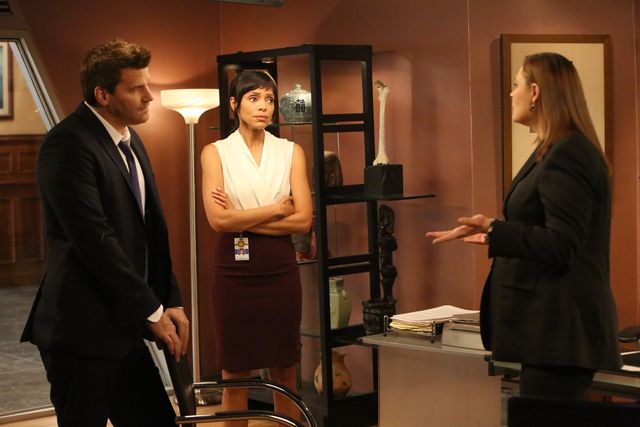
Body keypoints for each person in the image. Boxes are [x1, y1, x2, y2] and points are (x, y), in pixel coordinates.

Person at [426, 52, 621, 400]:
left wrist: (496, 229)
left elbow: (563, 244)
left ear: (535, 92)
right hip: (549, 337)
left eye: (516, 85)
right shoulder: (554, 149)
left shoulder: (567, 153)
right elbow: (546, 230)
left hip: (560, 334)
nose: (510, 93)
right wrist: (494, 230)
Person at [20, 39, 189, 426]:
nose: (149, 96)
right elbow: (96, 241)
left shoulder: (130, 138)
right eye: (136, 88)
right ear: (103, 94)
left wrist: (170, 298)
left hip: (124, 323)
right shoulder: (67, 144)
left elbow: (149, 233)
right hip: (80, 330)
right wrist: (151, 310)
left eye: (147, 84)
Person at [201, 70, 312, 425]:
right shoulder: (215, 153)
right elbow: (218, 221)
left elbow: (303, 221)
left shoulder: (290, 151)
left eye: (269, 99)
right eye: (254, 98)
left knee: (285, 371)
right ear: (234, 104)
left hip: (280, 269)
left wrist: (240, 217)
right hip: (233, 272)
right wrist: (277, 209)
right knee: (235, 375)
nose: (264, 107)